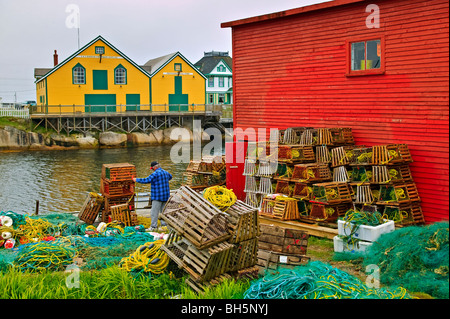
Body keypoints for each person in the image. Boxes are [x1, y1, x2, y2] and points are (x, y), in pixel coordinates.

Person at [133, 161, 172, 231]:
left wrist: (136, 180)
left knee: (154, 212)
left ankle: (153, 227)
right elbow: (170, 177)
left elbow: (146, 180)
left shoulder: (155, 174)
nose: (152, 170)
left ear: (155, 167)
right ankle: (164, 226)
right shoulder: (166, 172)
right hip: (166, 196)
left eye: (152, 168)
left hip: (157, 197)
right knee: (163, 212)